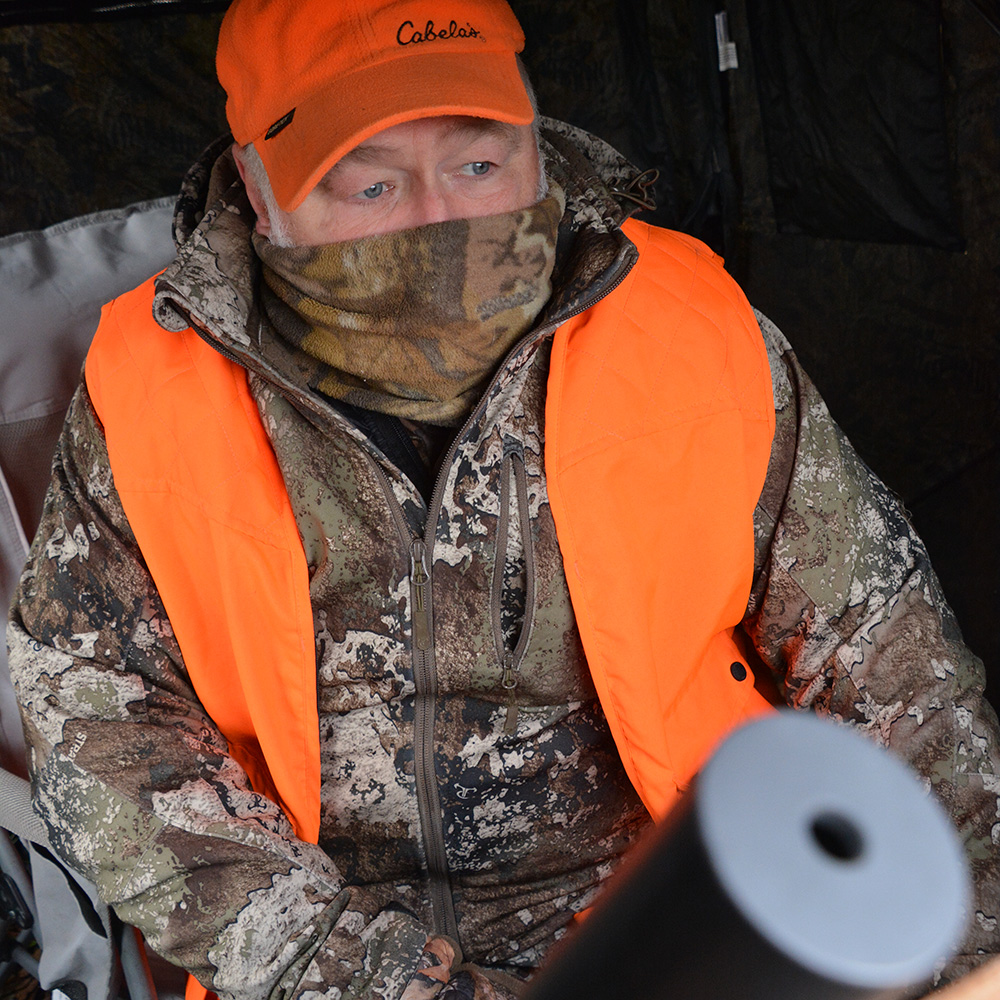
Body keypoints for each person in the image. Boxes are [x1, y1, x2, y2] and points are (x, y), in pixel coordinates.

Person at [7, 0, 1000, 997]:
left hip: (687, 918)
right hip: (332, 958)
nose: (439, 218)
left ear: (536, 145)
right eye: (372, 183)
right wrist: (368, 977)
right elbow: (107, 737)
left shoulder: (691, 331)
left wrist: (972, 947)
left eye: (478, 165)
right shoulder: (152, 388)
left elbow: (891, 665)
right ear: (258, 197)